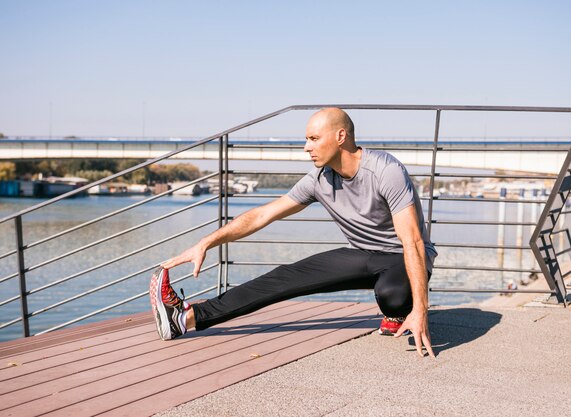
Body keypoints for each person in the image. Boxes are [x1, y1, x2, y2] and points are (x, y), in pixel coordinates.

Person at [150, 107, 438, 357]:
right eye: (307, 139)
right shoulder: (318, 180)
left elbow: (412, 241)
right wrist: (206, 243)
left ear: (341, 137)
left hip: (402, 256)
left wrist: (421, 311)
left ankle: (400, 311)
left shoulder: (385, 170)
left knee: (392, 295)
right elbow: (262, 215)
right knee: (282, 277)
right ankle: (185, 318)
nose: (306, 147)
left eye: (313, 139)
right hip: (362, 254)